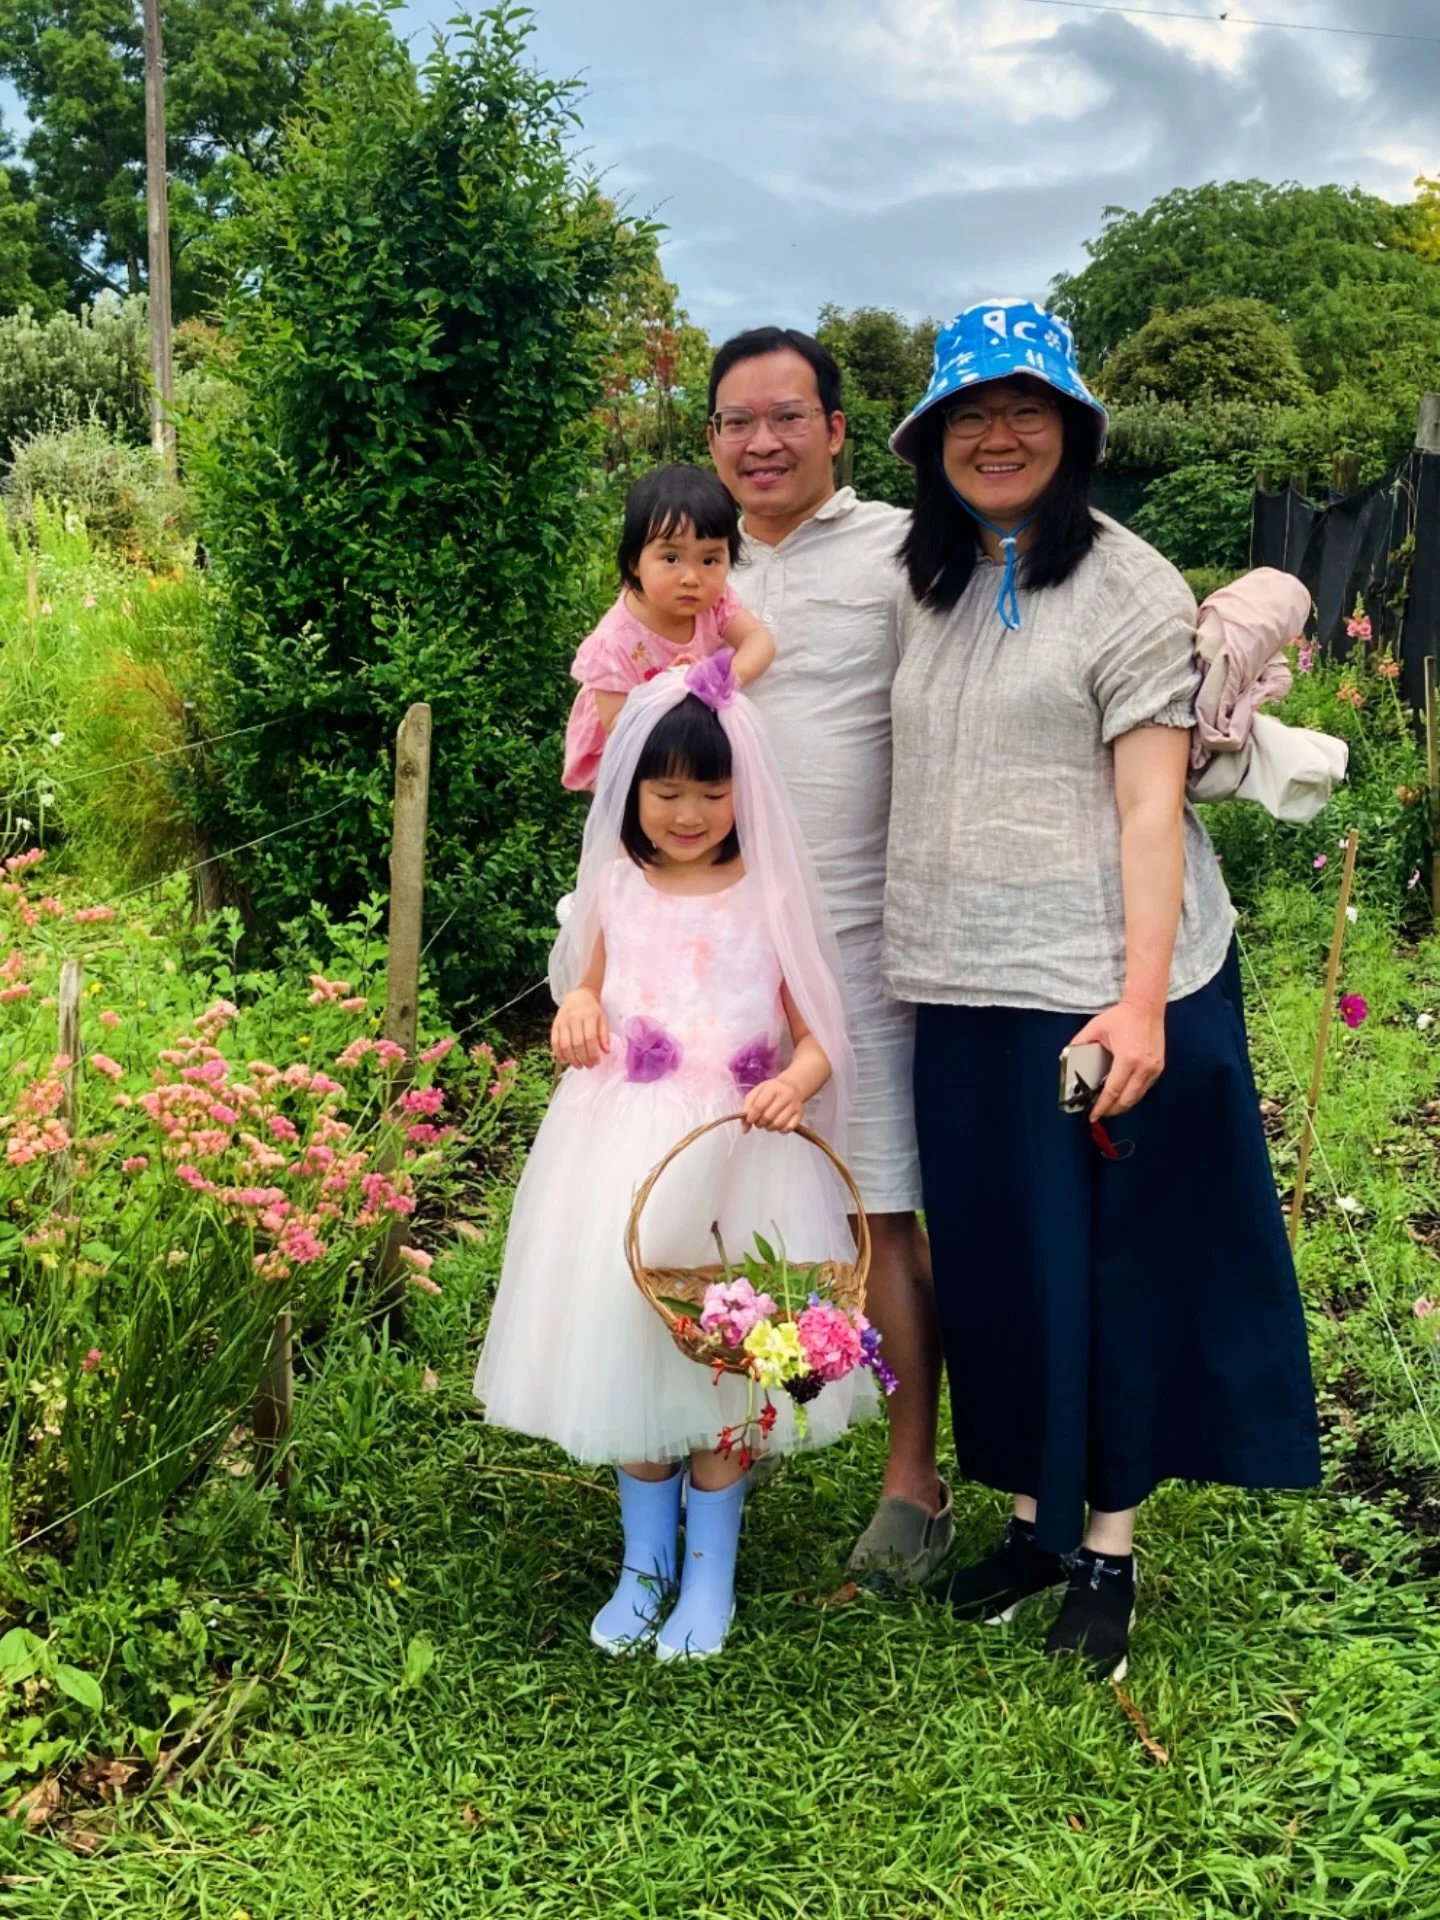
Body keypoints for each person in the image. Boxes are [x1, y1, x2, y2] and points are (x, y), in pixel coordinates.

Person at [883, 299, 1321, 1680]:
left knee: (1113, 1271)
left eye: (1024, 412)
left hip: (1104, 988)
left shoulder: (1125, 584)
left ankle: (1108, 1552)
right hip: (959, 984)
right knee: (1005, 1271)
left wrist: (1137, 1003)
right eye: (969, 414)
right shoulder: (930, 581)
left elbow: (1149, 811)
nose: (996, 434)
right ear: (933, 443)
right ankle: (1027, 1521)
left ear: (1072, 433)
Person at [475, 658, 875, 1661]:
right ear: (632, 793)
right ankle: (645, 1563)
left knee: (723, 1363)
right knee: (627, 1345)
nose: (687, 813)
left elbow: (818, 1035)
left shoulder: (769, 897)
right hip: (621, 1147)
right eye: (664, 792)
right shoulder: (619, 887)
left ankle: (711, 1572)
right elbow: (587, 989)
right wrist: (574, 1005)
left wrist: (798, 1079)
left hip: (738, 1158)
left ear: (746, 791)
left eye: (709, 790)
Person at [706, 327, 951, 1592]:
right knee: (728, 1188)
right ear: (710, 443)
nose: (761, 442)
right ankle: (727, 1431)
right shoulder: (690, 558)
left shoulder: (906, 551)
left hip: (861, 933)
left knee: (880, 1205)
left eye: (786, 417)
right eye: (736, 422)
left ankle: (913, 1477)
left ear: (839, 430)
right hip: (720, 940)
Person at [562, 464, 775, 792]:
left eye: (710, 561)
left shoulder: (713, 603)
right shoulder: (614, 642)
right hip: (628, 758)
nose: (691, 577)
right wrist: (668, 689)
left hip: (687, 743)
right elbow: (617, 724)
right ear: (635, 561)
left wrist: (724, 678)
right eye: (672, 558)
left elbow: (759, 641)